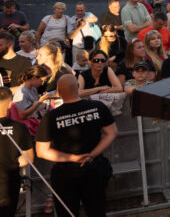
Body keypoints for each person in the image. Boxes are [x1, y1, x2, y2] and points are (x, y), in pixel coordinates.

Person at [35, 74, 118, 217]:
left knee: (67, 213)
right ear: (78, 88)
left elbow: (42, 151)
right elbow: (112, 133)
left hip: (66, 173)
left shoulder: (51, 117)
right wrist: (92, 155)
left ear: (59, 92)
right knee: (97, 211)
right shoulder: (97, 107)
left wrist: (73, 158)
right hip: (94, 167)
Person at [0, 87, 32, 217]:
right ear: (10, 103)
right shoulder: (20, 127)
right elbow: (28, 158)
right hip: (10, 181)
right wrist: (12, 163)